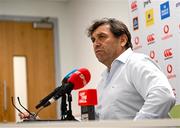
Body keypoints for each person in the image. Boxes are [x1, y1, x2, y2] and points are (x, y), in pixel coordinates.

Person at [87, 18, 176, 120]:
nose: (96, 44)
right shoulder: (103, 80)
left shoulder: (136, 62)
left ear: (123, 40)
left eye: (102, 37)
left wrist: (136, 125)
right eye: (93, 40)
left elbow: (163, 96)